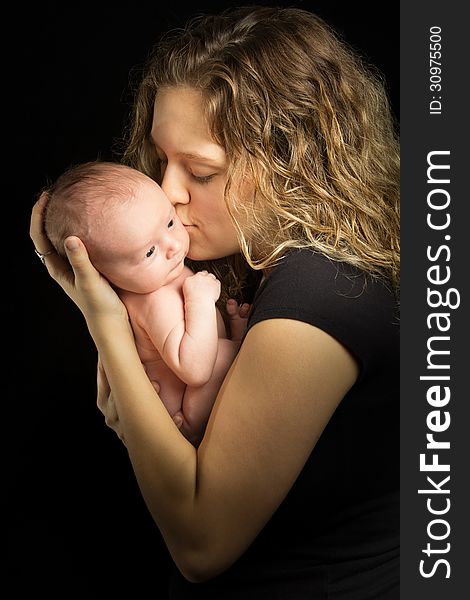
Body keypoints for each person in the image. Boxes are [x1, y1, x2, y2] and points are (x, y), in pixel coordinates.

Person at [31, 5, 400, 599]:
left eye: (199, 172)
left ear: (288, 164)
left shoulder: (318, 291)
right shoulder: (249, 263)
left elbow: (201, 545)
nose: (167, 191)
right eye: (161, 160)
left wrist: (105, 320)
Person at [43, 160, 248, 447]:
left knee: (224, 349)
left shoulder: (158, 277)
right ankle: (196, 418)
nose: (173, 245)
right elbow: (196, 369)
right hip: (181, 413)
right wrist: (200, 299)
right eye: (150, 251)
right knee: (225, 354)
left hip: (191, 394)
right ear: (104, 274)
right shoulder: (154, 301)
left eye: (169, 222)